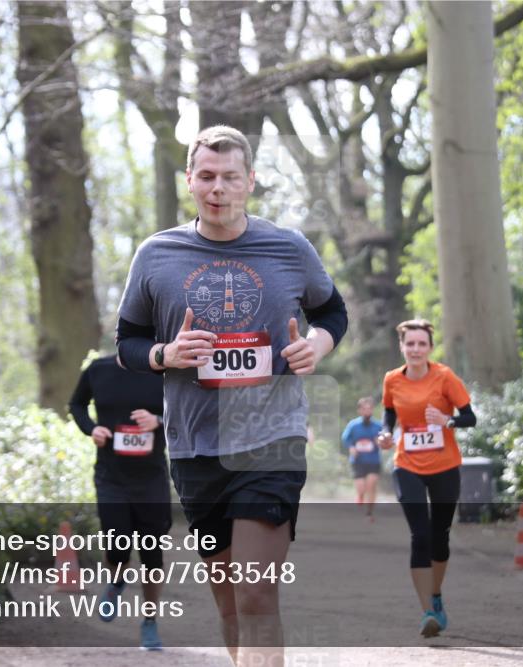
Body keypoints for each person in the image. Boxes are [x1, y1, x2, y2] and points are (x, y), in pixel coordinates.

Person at [115, 125, 347, 666]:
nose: (218, 188)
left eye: (230, 178)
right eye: (207, 177)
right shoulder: (157, 254)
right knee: (228, 603)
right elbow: (127, 343)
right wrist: (165, 355)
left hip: (272, 437)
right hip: (195, 444)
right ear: (190, 181)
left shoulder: (288, 249)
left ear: (251, 182)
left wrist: (317, 343)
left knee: (256, 591)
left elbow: (332, 311)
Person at [376, 319, 476, 638]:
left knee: (440, 535)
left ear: (430, 348)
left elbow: (470, 418)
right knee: (420, 536)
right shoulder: (392, 379)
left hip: (445, 465)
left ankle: (436, 594)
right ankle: (428, 612)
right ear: (402, 347)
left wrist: (447, 421)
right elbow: (389, 413)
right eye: (410, 344)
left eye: (422, 344)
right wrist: (385, 434)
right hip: (407, 464)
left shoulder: (445, 377)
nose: (416, 349)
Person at [68, 354, 171, 651]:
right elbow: (76, 404)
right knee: (116, 544)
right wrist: (92, 428)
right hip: (111, 476)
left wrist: (159, 420)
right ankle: (116, 582)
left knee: (152, 555)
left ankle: (150, 622)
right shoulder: (99, 370)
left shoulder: (164, 372)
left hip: (151, 478)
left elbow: (189, 412)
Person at [340, 397, 382, 522]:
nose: (367, 411)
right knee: (362, 488)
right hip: (358, 461)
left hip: (373, 461)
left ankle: (369, 512)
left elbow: (385, 440)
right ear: (359, 410)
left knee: (371, 484)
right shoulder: (353, 425)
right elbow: (345, 438)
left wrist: (380, 442)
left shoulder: (378, 425)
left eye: (369, 408)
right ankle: (360, 495)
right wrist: (351, 447)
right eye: (364, 409)